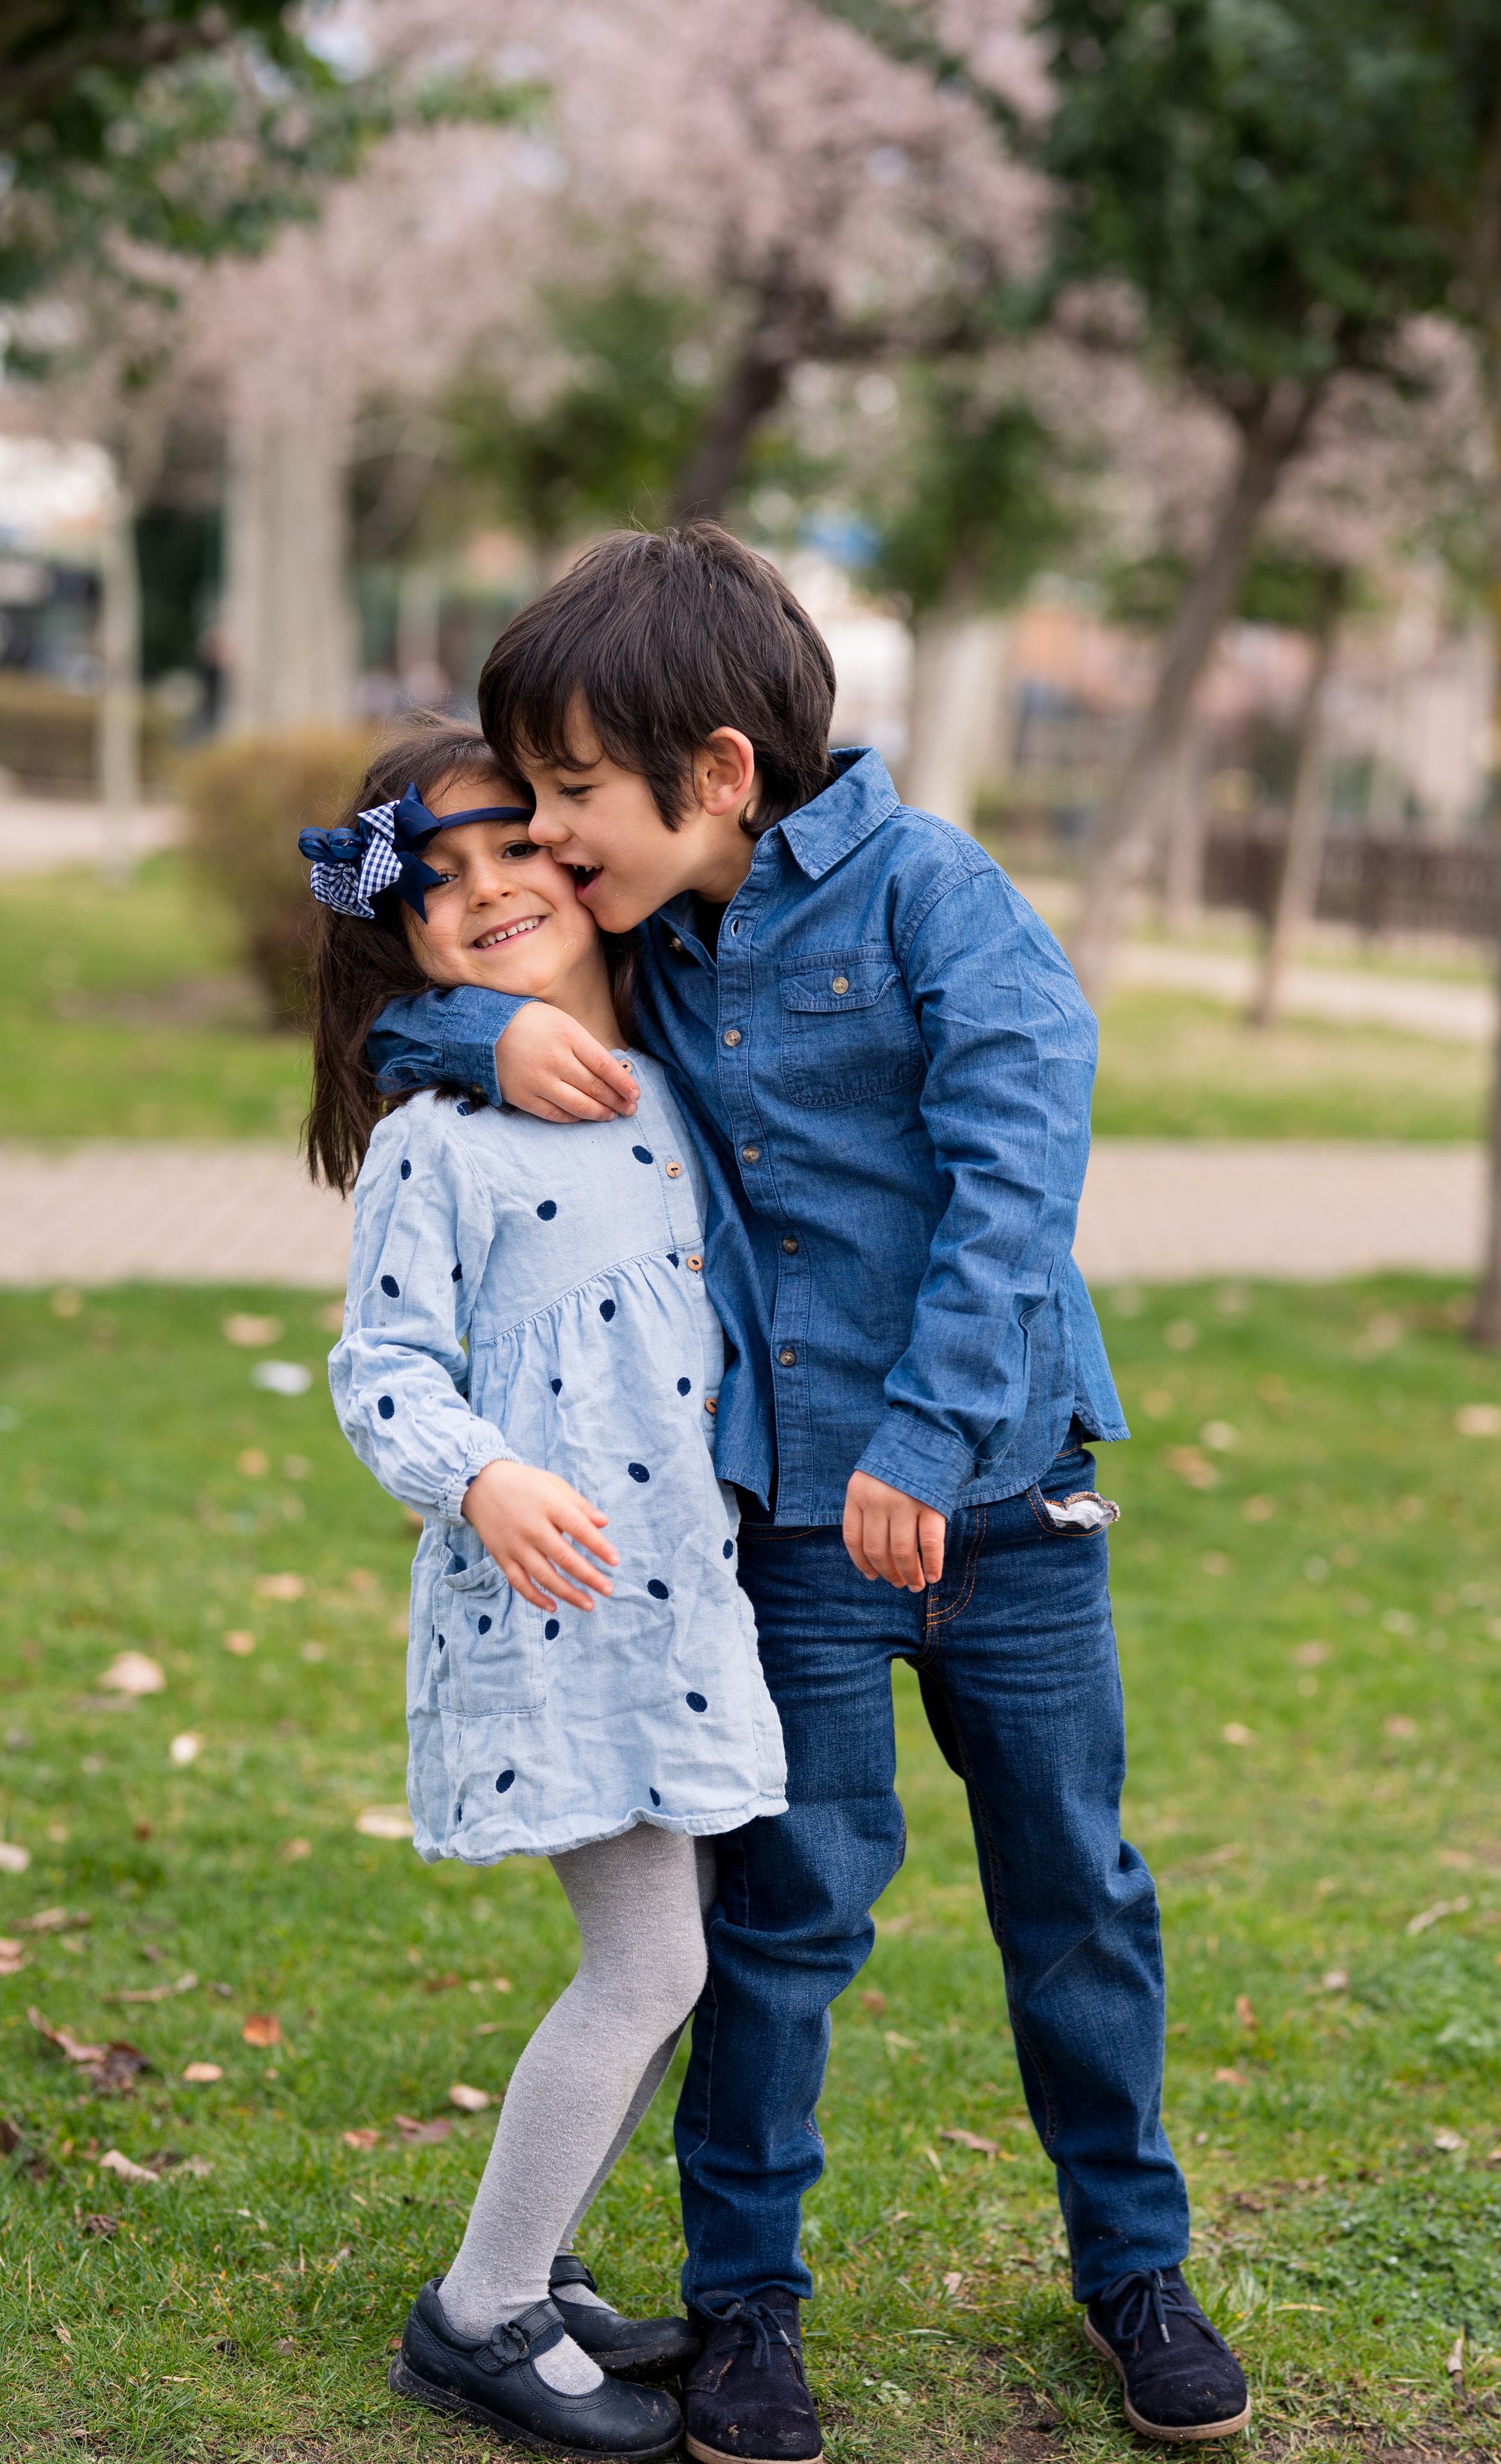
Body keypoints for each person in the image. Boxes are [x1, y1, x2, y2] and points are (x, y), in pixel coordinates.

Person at [368, 530, 1252, 2454]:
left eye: (576, 795)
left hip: (1005, 1509)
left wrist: (926, 1448)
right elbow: (447, 1003)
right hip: (792, 1536)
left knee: (1077, 1897)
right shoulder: (661, 939)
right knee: (782, 1920)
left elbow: (1019, 1172)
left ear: (717, 775)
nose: (553, 841)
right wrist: (476, 1025)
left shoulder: (940, 895)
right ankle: (747, 2308)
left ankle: (1134, 2267)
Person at [305, 720, 787, 2459]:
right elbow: (384, 1371)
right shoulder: (444, 1141)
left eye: (515, 849)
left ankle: (546, 2259)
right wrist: (485, 1473)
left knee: (679, 1953)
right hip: (558, 1604)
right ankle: (480, 2312)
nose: (493, 893)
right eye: (438, 889)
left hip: (680, 1605)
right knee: (647, 1961)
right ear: (406, 942)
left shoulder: (667, 1066)